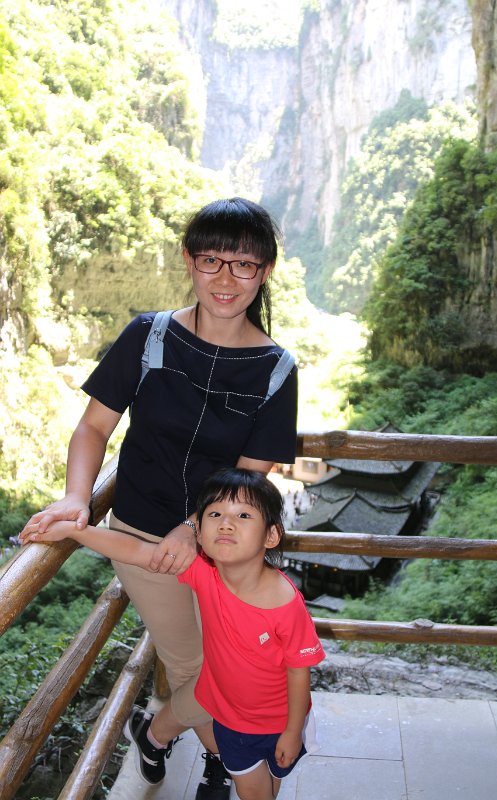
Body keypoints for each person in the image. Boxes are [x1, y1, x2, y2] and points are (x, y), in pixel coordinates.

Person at [20, 198, 298, 799]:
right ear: (189, 261)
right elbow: (93, 427)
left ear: (265, 272)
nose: (225, 278)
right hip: (143, 535)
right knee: (196, 665)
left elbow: (249, 477)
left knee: (239, 665)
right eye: (211, 260)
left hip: (227, 543)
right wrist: (76, 498)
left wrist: (194, 527)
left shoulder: (276, 368)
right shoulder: (148, 337)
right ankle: (232, 765)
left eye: (243, 265)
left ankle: (156, 734)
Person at [21, 468, 325, 800]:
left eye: (243, 515)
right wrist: (74, 531)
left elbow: (299, 671)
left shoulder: (284, 604)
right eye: (215, 514)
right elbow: (136, 551)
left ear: (271, 536)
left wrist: (292, 731)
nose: (226, 523)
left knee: (271, 787)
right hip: (232, 722)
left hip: (281, 721)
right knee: (255, 793)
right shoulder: (204, 574)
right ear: (199, 532)